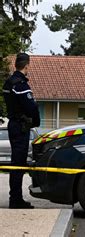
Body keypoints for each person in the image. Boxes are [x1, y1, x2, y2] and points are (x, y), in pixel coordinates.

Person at [2, 53, 40, 208]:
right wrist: (35, 122)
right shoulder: (21, 84)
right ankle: (15, 200)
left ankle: (15, 197)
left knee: (16, 163)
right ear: (26, 65)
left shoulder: (9, 83)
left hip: (13, 124)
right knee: (18, 164)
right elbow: (31, 107)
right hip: (21, 126)